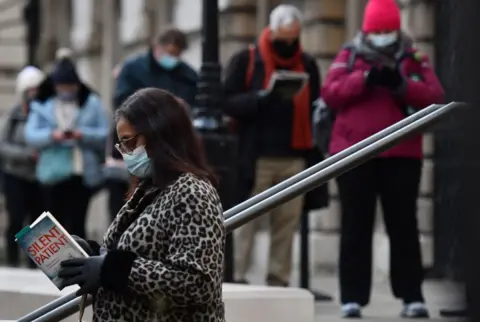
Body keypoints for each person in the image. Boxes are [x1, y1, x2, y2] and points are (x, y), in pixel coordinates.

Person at [321, 0, 445, 318]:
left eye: (388, 30)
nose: (383, 36)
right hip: (354, 154)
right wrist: (364, 79)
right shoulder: (350, 55)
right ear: (366, 30)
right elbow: (330, 92)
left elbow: (434, 95)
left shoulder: (414, 57)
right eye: (377, 31)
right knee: (355, 226)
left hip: (401, 153)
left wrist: (401, 85)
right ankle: (351, 298)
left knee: (403, 225)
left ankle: (411, 296)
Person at [58, 88, 225, 322]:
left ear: (159, 134)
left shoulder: (193, 192)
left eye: (129, 141)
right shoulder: (149, 187)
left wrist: (111, 269)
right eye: (121, 145)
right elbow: (141, 252)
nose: (125, 152)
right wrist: (93, 254)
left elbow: (197, 283)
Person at [223, 4, 328, 287]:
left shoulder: (306, 63)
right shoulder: (247, 59)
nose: (288, 44)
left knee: (286, 223)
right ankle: (237, 277)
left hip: (294, 154)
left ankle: (278, 280)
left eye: (293, 38)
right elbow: (226, 100)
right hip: (256, 156)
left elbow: (316, 103)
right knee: (245, 220)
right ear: (272, 32)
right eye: (283, 38)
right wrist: (260, 98)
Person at [105, 27, 198, 222]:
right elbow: (121, 103)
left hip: (167, 147)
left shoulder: (187, 75)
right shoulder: (133, 68)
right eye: (169, 52)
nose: (172, 57)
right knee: (122, 203)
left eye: (177, 53)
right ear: (158, 47)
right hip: (136, 144)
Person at [24, 53, 109, 239]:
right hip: (52, 172)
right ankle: (54, 264)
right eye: (62, 86)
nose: (66, 90)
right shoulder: (42, 105)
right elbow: (30, 135)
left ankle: (77, 263)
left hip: (81, 171)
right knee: (53, 222)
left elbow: (105, 133)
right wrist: (52, 136)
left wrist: (82, 135)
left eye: (70, 86)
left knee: (77, 221)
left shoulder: (91, 103)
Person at [0, 66, 45, 268]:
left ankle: (33, 264)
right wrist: (26, 155)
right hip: (15, 176)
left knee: (37, 223)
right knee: (16, 220)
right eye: (30, 90)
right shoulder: (13, 116)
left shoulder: (45, 114)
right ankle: (11, 260)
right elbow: (3, 146)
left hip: (39, 177)